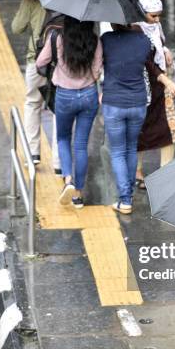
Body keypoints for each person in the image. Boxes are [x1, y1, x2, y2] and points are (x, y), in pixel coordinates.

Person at [101, 23, 175, 214]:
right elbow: (152, 63)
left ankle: (125, 199)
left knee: (118, 151)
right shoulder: (144, 41)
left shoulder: (106, 40)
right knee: (132, 147)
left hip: (114, 102)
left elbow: (99, 65)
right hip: (138, 102)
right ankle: (130, 190)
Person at [36, 16, 103, 208]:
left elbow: (40, 62)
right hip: (89, 95)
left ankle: (68, 181)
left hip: (64, 95)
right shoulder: (95, 41)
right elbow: (97, 71)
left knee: (63, 138)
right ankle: (78, 195)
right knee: (81, 145)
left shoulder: (58, 38)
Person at [135, 0, 175, 189]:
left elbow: (158, 45)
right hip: (145, 86)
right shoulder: (136, 31)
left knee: (168, 128)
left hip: (160, 85)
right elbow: (146, 61)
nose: (157, 20)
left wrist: (165, 49)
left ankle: (166, 171)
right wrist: (166, 80)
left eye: (159, 16)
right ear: (143, 13)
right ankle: (137, 171)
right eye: (153, 16)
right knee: (141, 129)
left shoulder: (155, 27)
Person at [11, 0, 60, 172]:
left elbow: (16, 28)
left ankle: (33, 153)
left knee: (32, 103)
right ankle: (59, 162)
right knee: (58, 110)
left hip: (36, 59)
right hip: (60, 64)